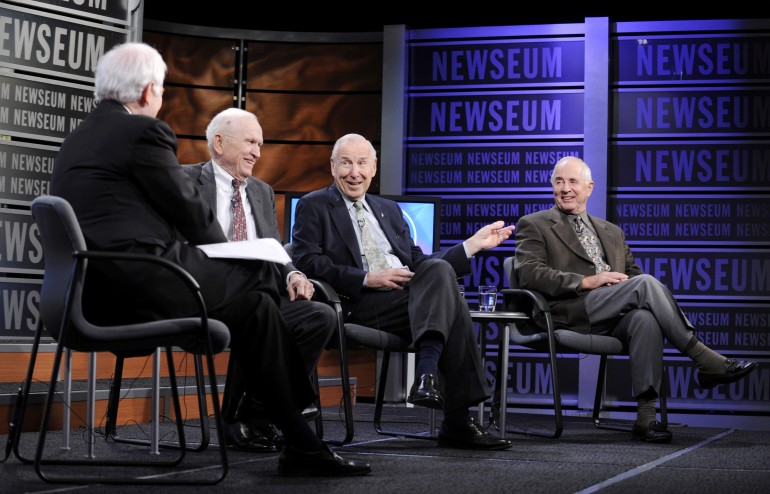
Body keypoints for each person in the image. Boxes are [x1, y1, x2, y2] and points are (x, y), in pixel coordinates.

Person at [49, 42, 370, 476]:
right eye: (161, 90)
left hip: (92, 292)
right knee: (257, 276)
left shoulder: (79, 137)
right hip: (143, 283)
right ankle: (295, 410)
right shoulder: (142, 132)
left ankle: (299, 439)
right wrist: (236, 254)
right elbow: (192, 213)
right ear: (148, 92)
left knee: (256, 305)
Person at [290, 133, 514, 451]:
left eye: (362, 163)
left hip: (409, 299)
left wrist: (471, 246)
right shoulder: (315, 206)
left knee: (440, 276)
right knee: (453, 305)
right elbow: (307, 260)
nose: (355, 172)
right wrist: (368, 277)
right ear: (332, 166)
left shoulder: (389, 209)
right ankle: (454, 416)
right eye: (346, 163)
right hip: (360, 302)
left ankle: (428, 379)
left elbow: (421, 264)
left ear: (374, 168)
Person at [513, 155, 758, 444]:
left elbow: (633, 276)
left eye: (573, 182)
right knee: (644, 287)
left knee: (645, 316)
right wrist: (586, 281)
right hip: (571, 310)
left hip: (613, 313)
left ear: (589, 187)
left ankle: (645, 417)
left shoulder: (611, 232)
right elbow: (529, 273)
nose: (565, 188)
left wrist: (623, 287)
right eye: (559, 181)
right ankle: (706, 360)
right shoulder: (535, 224)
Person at [184, 108, 336, 453]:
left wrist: (294, 273)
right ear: (219, 143)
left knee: (319, 316)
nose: (257, 151)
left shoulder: (263, 192)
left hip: (259, 295)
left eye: (261, 144)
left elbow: (274, 249)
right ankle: (269, 410)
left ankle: (254, 408)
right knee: (258, 305)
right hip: (205, 296)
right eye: (250, 142)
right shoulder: (185, 181)